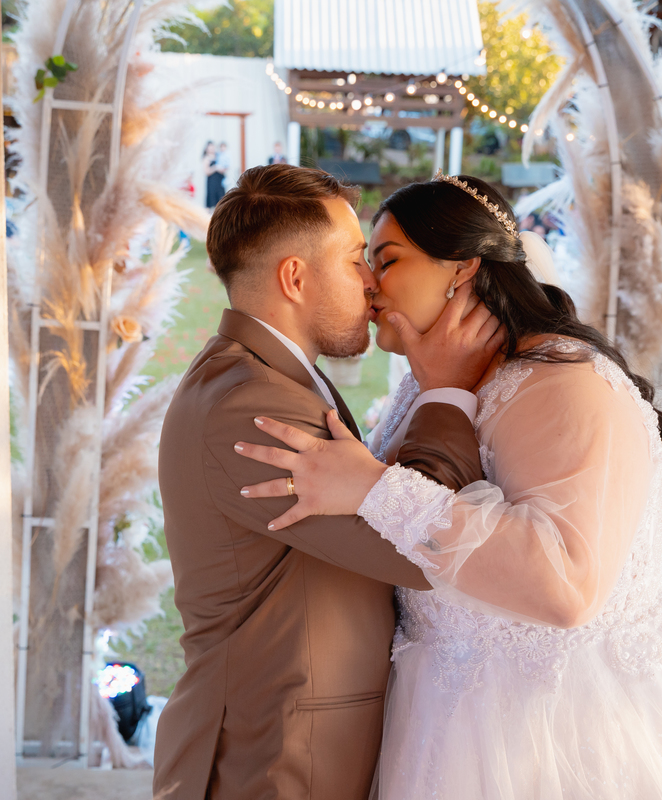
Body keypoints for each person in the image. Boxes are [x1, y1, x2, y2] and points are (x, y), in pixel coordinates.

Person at [236, 174, 662, 799]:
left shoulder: (559, 381)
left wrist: (373, 490)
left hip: (554, 727)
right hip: (442, 711)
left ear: (462, 271)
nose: (369, 283)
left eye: (387, 261)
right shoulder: (432, 378)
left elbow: (567, 585)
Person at [152, 164, 499, 800]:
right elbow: (417, 544)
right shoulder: (250, 406)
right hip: (276, 757)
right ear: (294, 277)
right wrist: (449, 389)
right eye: (353, 260)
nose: (373, 284)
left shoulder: (267, 378)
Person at [202, 141, 224, 209]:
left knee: (221, 199)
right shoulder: (206, 158)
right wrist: (215, 168)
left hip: (219, 181)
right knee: (212, 200)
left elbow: (224, 168)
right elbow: (206, 171)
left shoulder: (218, 156)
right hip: (212, 182)